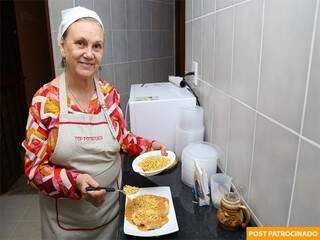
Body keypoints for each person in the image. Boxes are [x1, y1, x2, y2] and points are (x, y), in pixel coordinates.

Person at [22, 6, 167, 240]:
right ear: (62, 47)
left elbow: (122, 139)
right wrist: (75, 181)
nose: (89, 53)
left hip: (110, 217)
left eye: (97, 46)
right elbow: (33, 170)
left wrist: (150, 146)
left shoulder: (109, 94)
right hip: (65, 227)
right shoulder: (45, 100)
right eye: (80, 43)